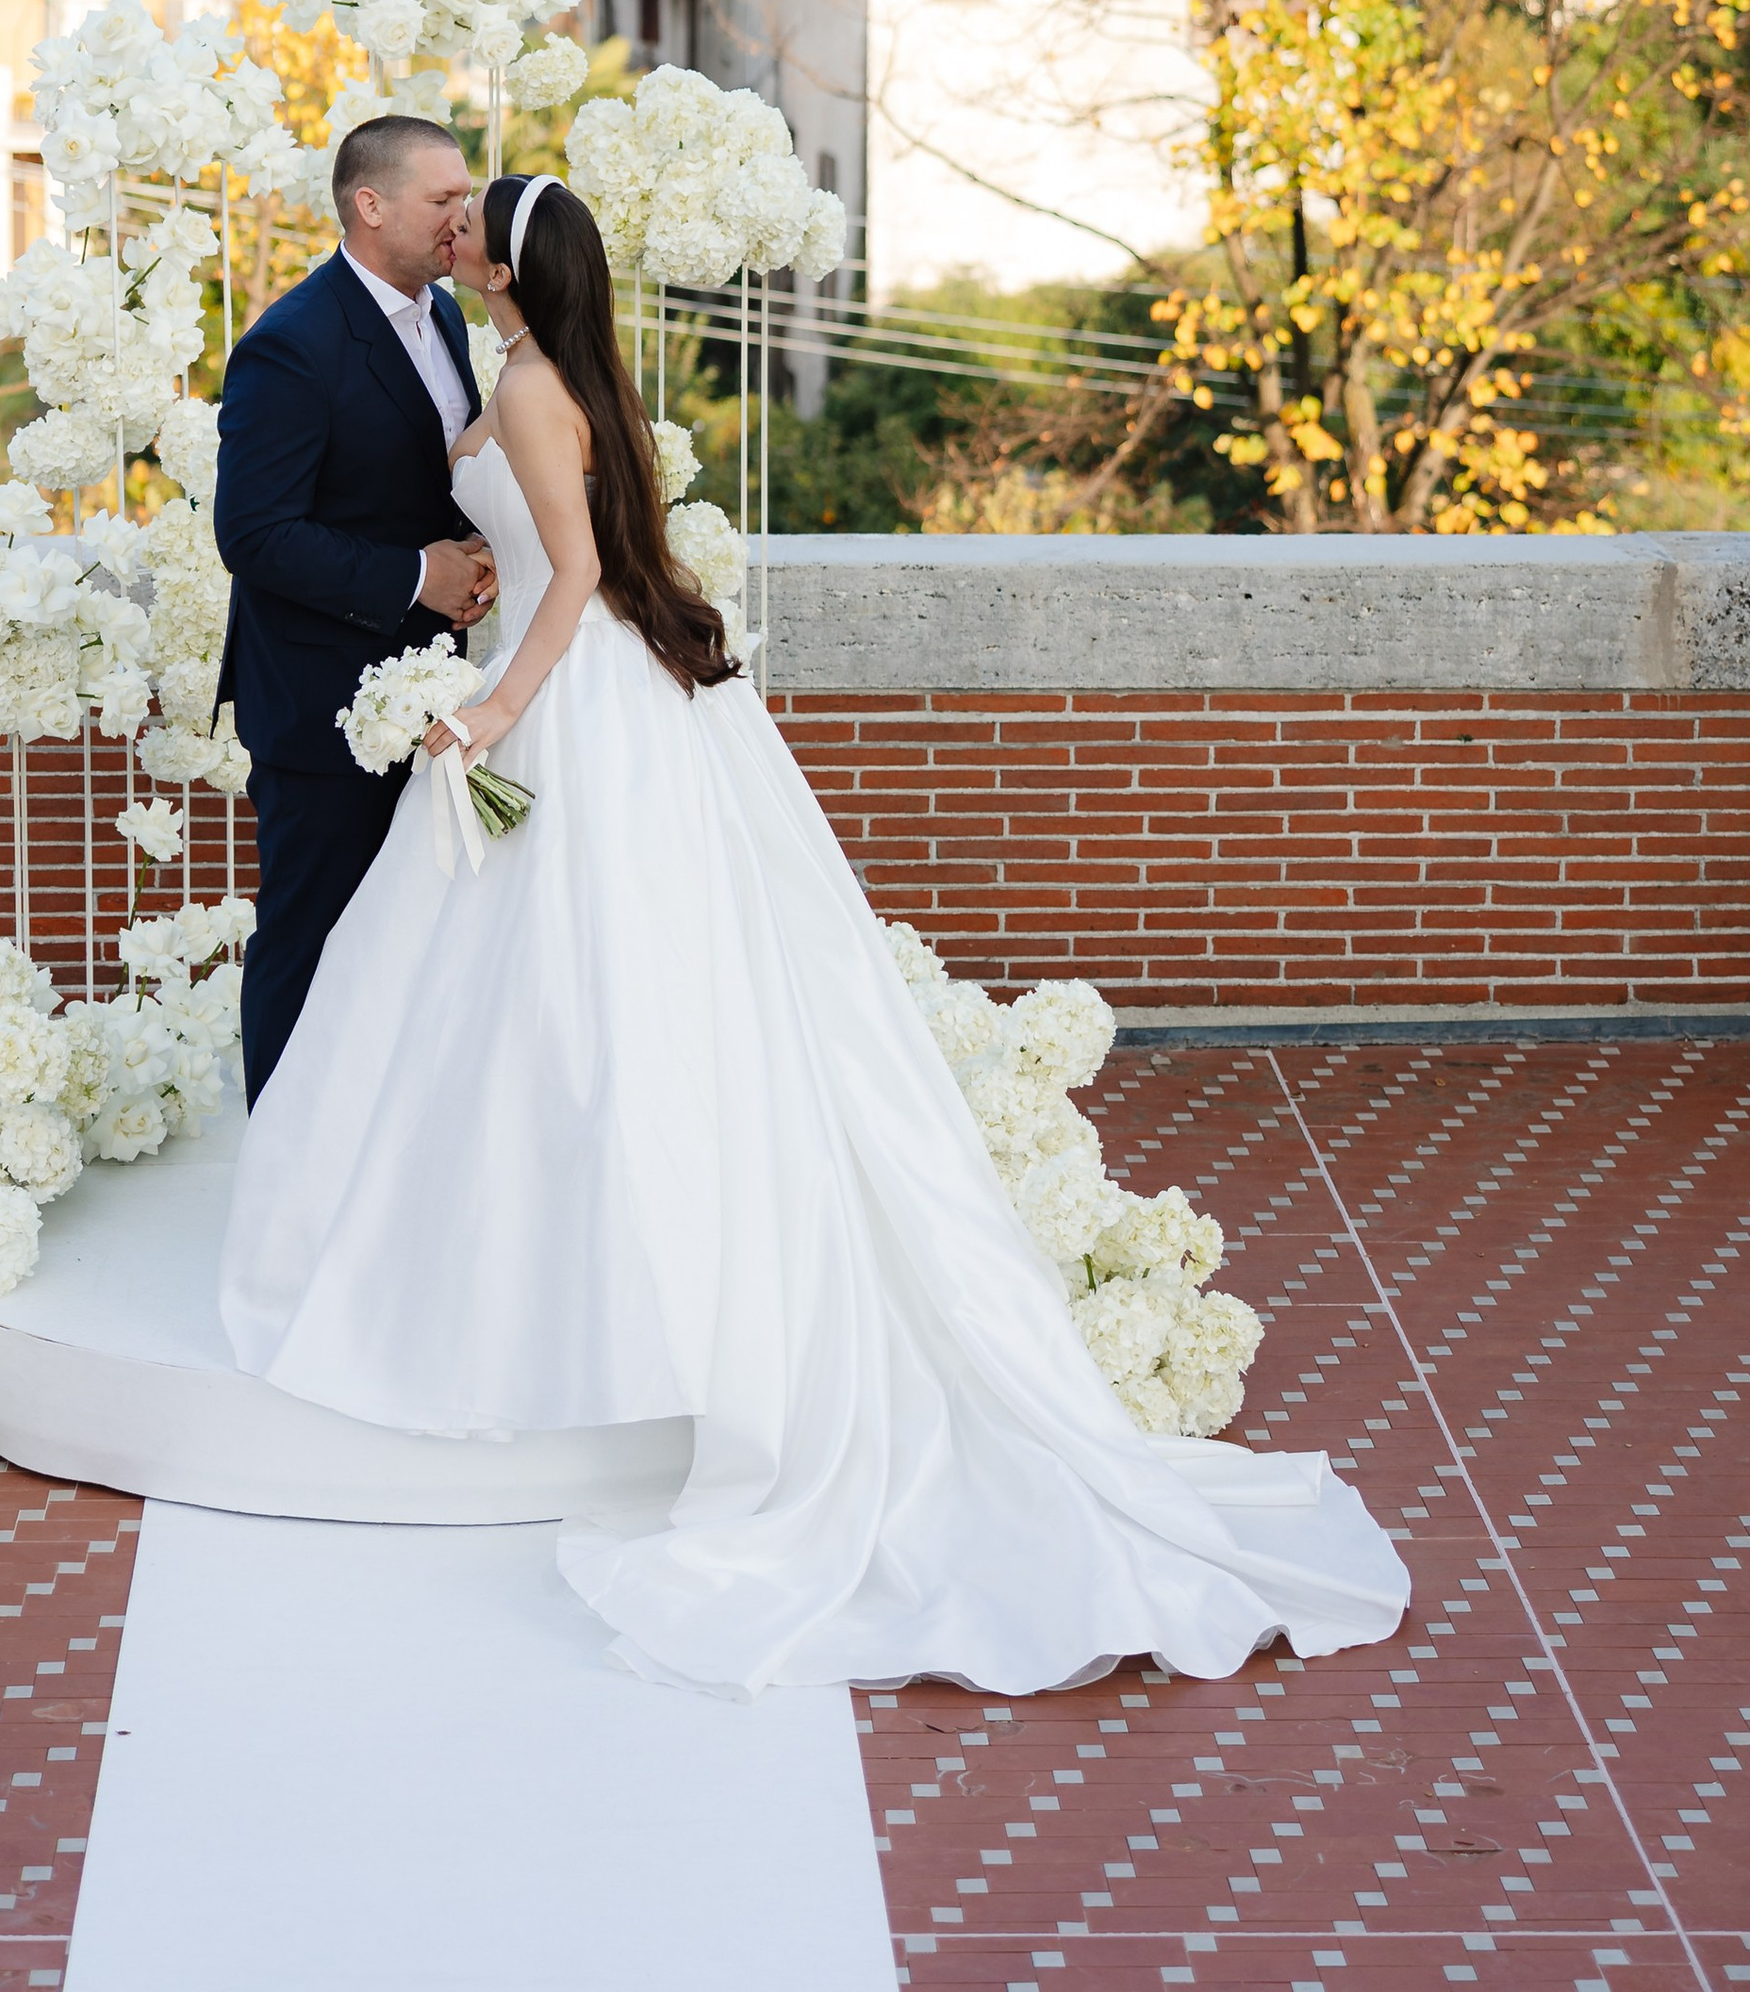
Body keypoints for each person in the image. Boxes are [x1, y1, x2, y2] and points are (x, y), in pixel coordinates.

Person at [219, 168, 1410, 1698]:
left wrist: (497, 698)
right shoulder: (543, 362)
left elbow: (571, 569)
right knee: (564, 985)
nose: (449, 230)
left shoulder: (518, 379)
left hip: (557, 698)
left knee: (554, 992)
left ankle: (520, 1293)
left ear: (505, 270)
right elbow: (563, 542)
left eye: (471, 220)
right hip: (600, 694)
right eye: (437, 204)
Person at [213, 113, 498, 1105]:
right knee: (312, 929)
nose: (462, 215)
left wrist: (474, 554)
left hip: (430, 687)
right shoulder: (292, 344)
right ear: (368, 205)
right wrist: (416, 578)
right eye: (442, 199)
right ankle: (282, 1172)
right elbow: (252, 534)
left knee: (407, 931)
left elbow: (419, 486)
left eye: (465, 195)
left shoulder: (449, 317)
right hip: (319, 697)